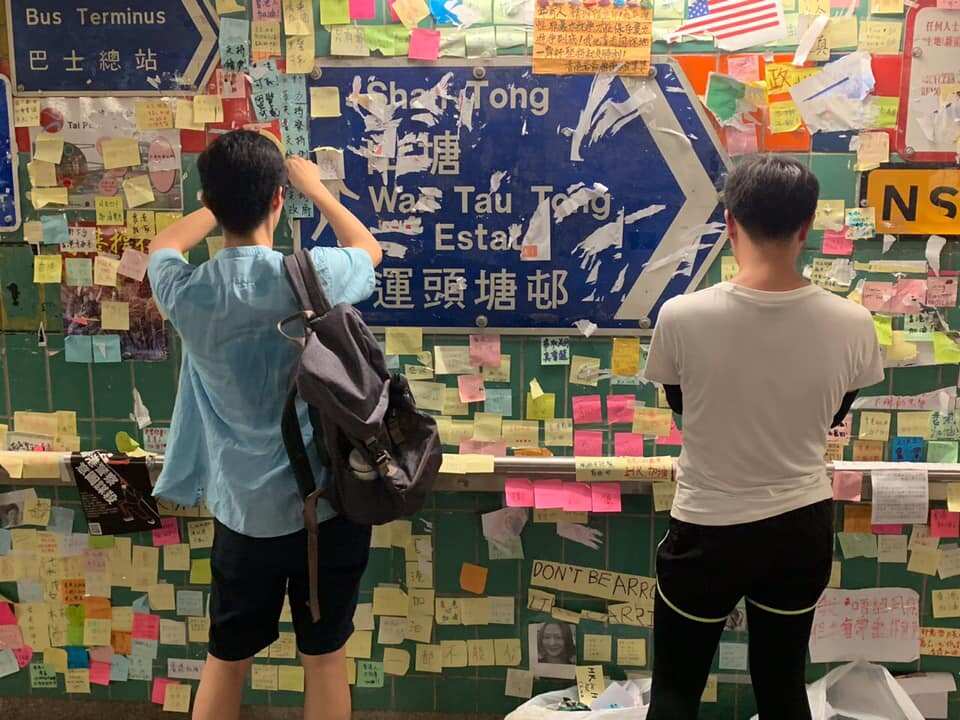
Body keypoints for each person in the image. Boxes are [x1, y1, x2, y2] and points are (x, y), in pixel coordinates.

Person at [147, 130, 383, 720]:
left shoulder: (186, 292)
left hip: (242, 516)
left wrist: (220, 198)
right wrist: (315, 189)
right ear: (278, 201)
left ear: (211, 200)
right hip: (325, 510)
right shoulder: (313, 274)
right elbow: (368, 247)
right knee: (325, 658)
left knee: (226, 659)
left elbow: (162, 245)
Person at [644, 155, 884, 720]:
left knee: (676, 691)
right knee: (781, 686)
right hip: (799, 528)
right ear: (806, 228)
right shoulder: (853, 323)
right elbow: (833, 416)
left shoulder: (681, 315)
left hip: (707, 527)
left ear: (730, 223)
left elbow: (685, 411)